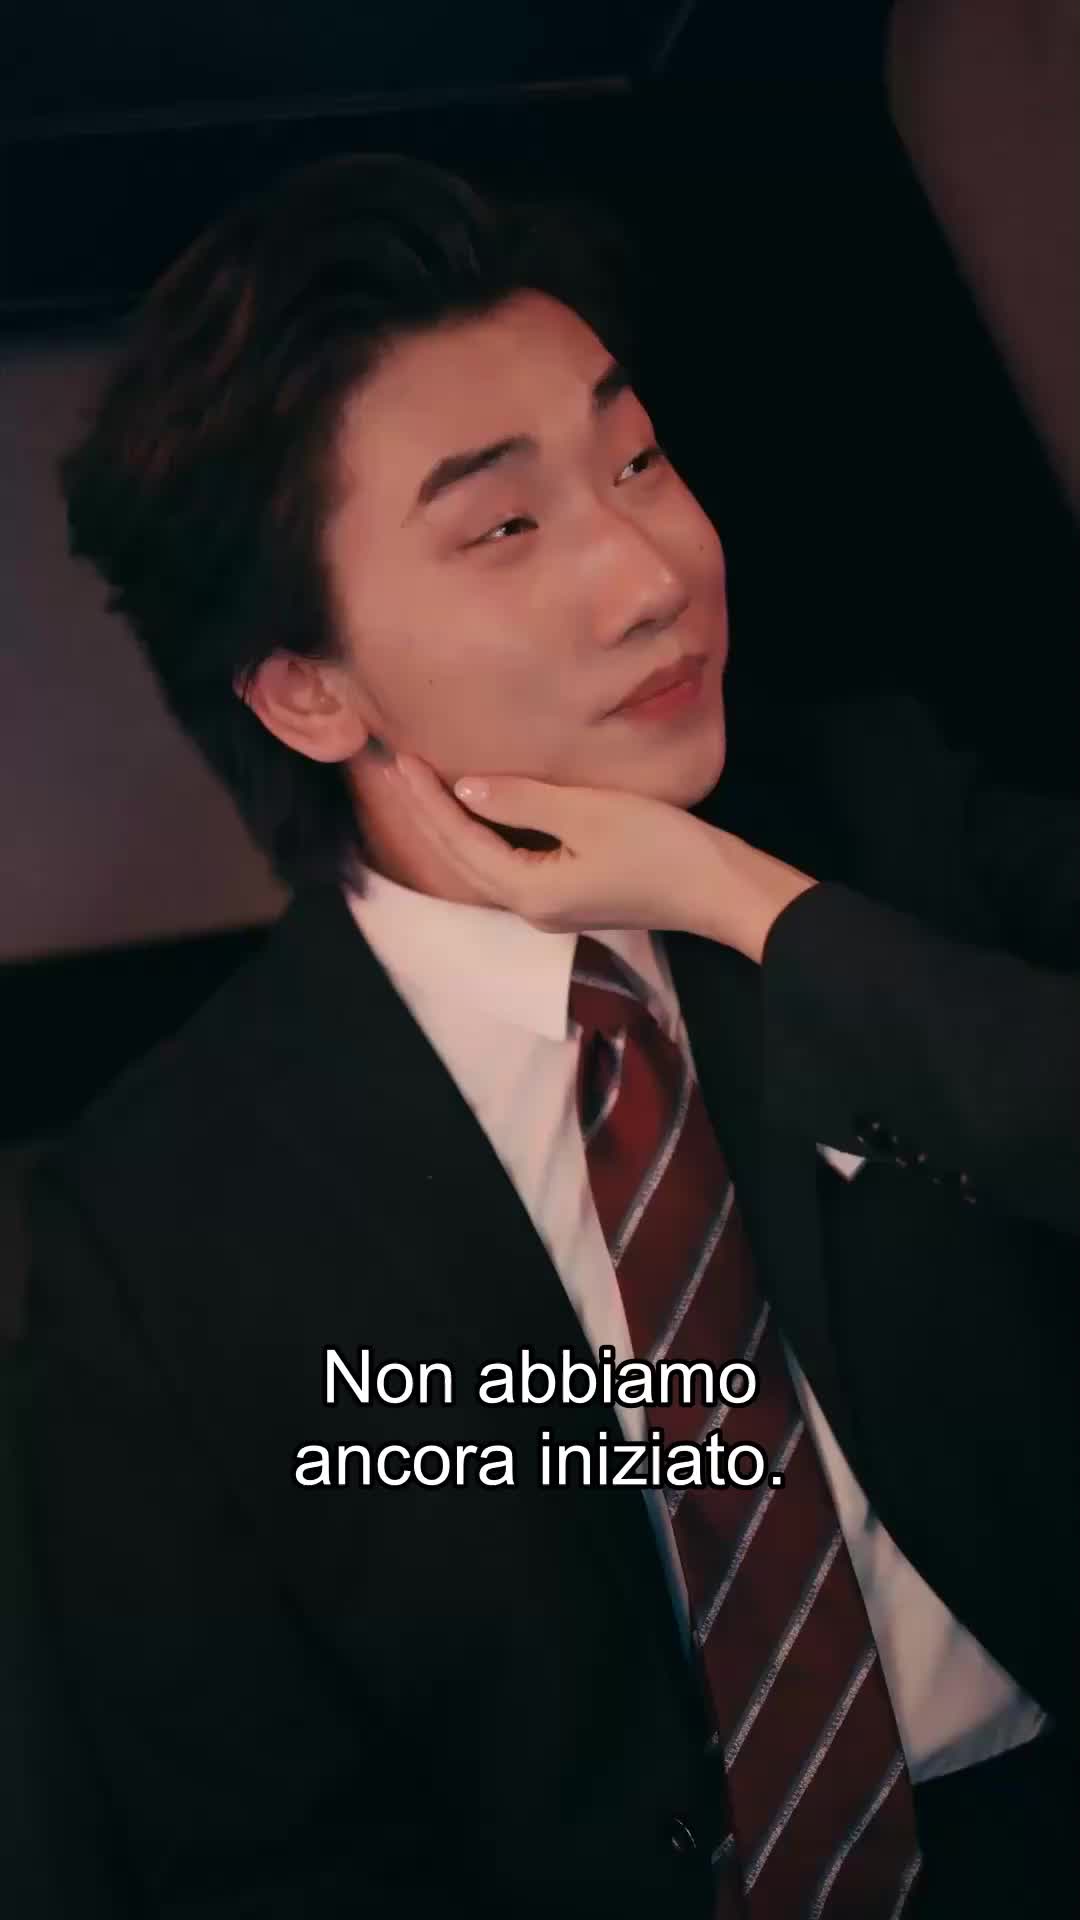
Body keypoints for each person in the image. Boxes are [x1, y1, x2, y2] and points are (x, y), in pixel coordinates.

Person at [14, 150, 1076, 1920]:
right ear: (305, 688)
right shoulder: (162, 1223)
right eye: (504, 528)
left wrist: (745, 901)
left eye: (638, 460)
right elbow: (246, 1841)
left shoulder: (880, 822)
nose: (652, 573)